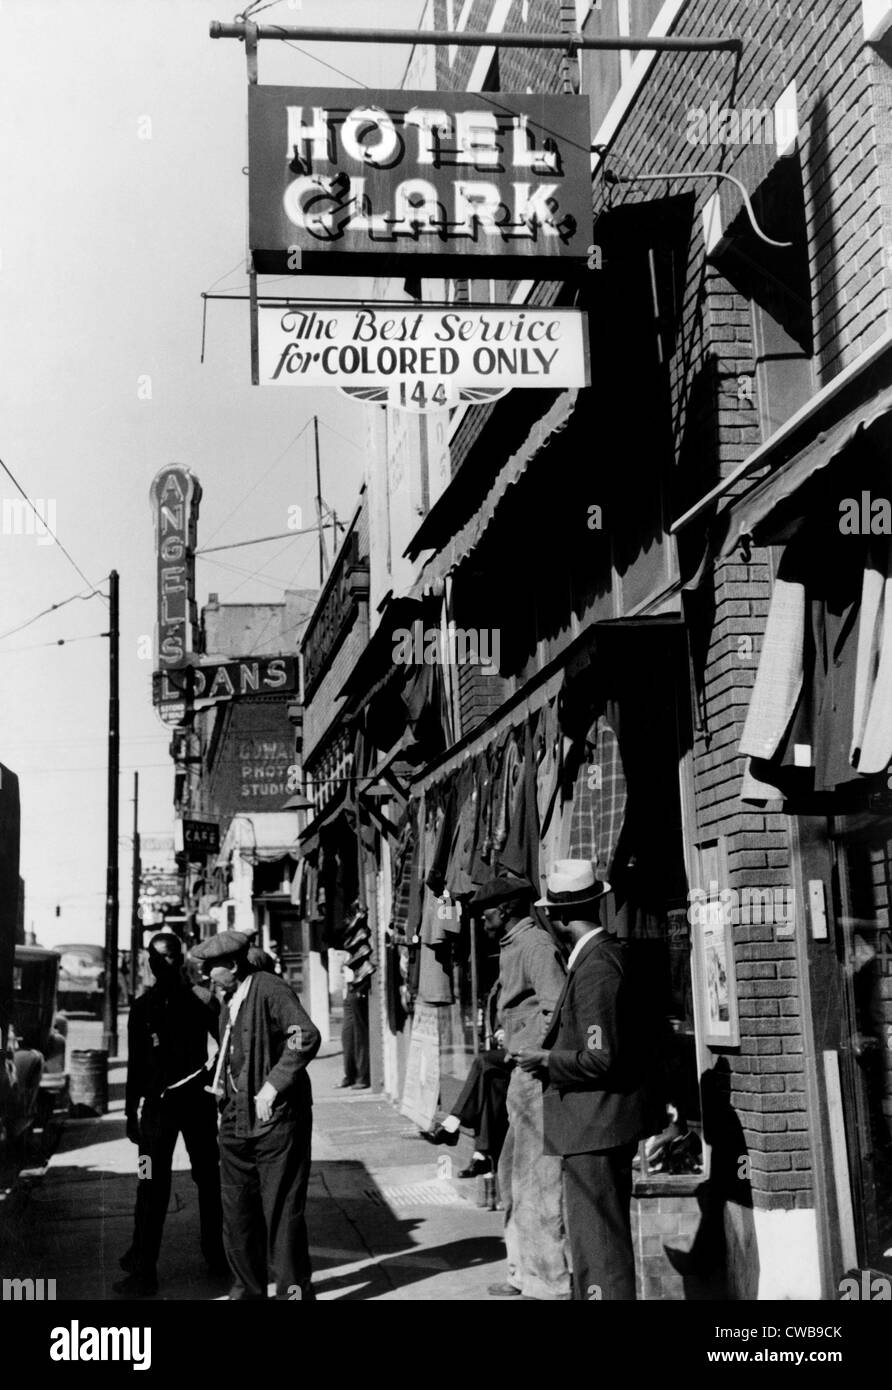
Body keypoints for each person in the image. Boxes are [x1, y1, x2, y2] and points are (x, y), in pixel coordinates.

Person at [516, 861, 650, 1301]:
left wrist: (547, 1060)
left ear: (555, 918)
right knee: (595, 1244)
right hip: (594, 1125)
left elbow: (600, 1056)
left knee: (600, 1247)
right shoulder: (601, 958)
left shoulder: (597, 968)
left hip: (594, 1125)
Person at [190, 929, 321, 1301]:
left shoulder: (269, 988)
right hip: (236, 1122)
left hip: (277, 1121)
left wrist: (273, 1085)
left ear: (232, 965)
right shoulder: (230, 998)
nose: (206, 976)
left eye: (212, 969)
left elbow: (304, 1035)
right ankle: (247, 1293)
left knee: (282, 1214)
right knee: (237, 1214)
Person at [470, 874, 571, 1301]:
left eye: (487, 914)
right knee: (514, 1179)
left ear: (506, 910)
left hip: (535, 1079)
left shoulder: (534, 946)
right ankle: (521, 1273)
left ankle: (550, 1283)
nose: (482, 922)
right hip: (519, 1078)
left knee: (540, 1185)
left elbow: (557, 1005)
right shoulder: (515, 947)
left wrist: (532, 1049)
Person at [115, 932, 226, 1298]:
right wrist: (131, 1114)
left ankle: (211, 1257)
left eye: (166, 958)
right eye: (157, 958)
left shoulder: (196, 1000)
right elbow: (134, 1067)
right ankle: (149, 1267)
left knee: (199, 1179)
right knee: (157, 1183)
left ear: (177, 961)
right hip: (166, 1111)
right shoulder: (149, 1007)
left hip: (185, 1107)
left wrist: (213, 1076)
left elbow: (226, 1042)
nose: (160, 964)